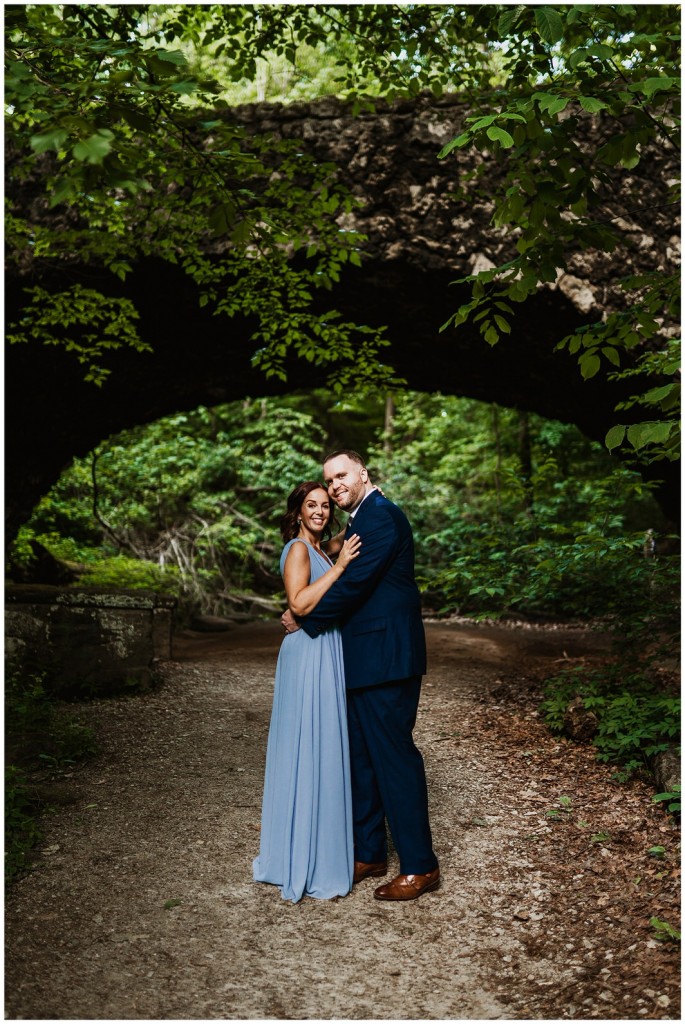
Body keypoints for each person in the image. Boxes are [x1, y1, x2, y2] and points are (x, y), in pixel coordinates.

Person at [284, 450, 439, 901]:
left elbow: (355, 584)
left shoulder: (382, 518)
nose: (333, 486)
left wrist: (304, 616)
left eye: (341, 475)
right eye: (328, 480)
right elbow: (326, 561)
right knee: (360, 761)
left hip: (387, 659)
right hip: (359, 661)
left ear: (362, 473)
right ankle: (369, 852)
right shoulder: (359, 522)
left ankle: (420, 865)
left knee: (393, 757)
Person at [253, 480, 362, 902]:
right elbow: (298, 605)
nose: (318, 510)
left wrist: (367, 500)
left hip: (325, 650)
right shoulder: (300, 550)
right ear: (297, 511)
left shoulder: (320, 547)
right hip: (308, 653)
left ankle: (318, 847)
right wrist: (339, 568)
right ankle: (298, 855)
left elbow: (346, 533)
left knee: (323, 746)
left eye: (323, 505)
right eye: (310, 505)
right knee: (306, 744)